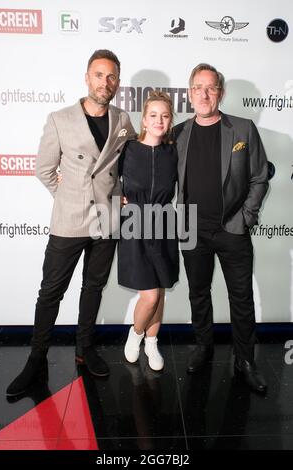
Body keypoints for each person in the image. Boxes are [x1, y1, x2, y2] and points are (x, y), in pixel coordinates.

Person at [6, 49, 135, 397]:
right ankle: (36, 358)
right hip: (69, 220)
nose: (104, 82)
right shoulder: (59, 119)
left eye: (111, 77)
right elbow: (44, 170)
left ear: (118, 83)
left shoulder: (123, 121)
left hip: (106, 221)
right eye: (98, 74)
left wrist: (122, 192)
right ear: (86, 77)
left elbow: (130, 164)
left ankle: (84, 347)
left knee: (93, 287)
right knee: (51, 292)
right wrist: (67, 197)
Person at [174, 63, 269, 393]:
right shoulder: (179, 133)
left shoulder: (243, 130)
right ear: (189, 94)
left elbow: (259, 177)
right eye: (198, 87)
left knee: (241, 298)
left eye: (211, 87)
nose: (204, 94)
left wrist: (245, 217)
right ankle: (204, 346)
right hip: (192, 230)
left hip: (232, 230)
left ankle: (245, 360)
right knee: (198, 294)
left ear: (221, 93)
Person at [118, 91, 179, 371]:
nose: (159, 120)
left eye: (165, 116)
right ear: (143, 119)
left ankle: (152, 344)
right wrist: (117, 196)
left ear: (170, 120)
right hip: (135, 227)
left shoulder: (173, 151)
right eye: (153, 115)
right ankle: (136, 333)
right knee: (150, 295)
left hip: (165, 224)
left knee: (161, 291)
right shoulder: (128, 149)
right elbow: (105, 177)